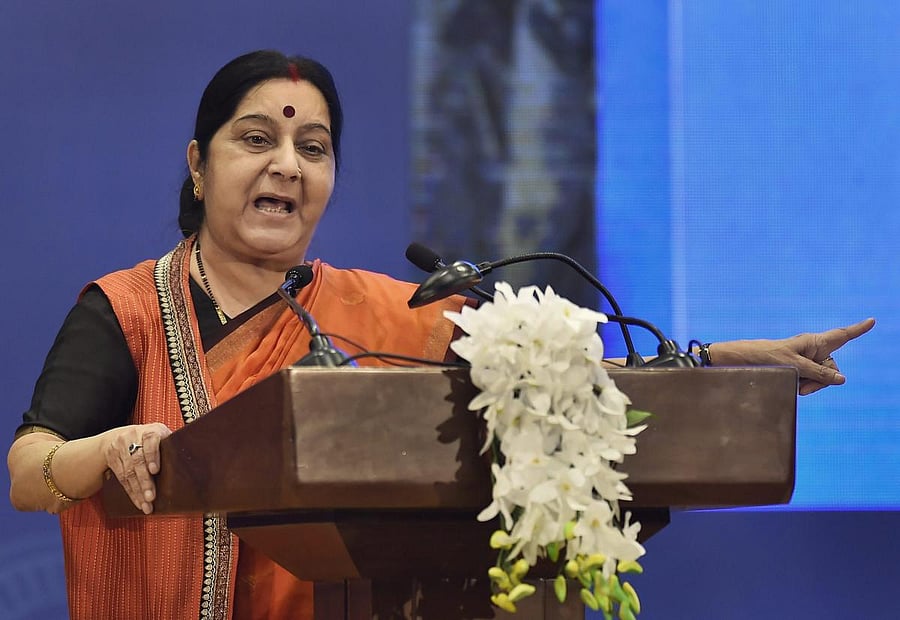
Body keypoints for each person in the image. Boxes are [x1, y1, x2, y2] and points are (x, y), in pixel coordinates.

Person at [5, 50, 875, 620]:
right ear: (199, 166)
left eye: (314, 148)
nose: (287, 165)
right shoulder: (128, 310)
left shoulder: (388, 313)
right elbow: (27, 468)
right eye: (257, 139)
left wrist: (717, 362)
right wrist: (108, 450)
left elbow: (560, 382)